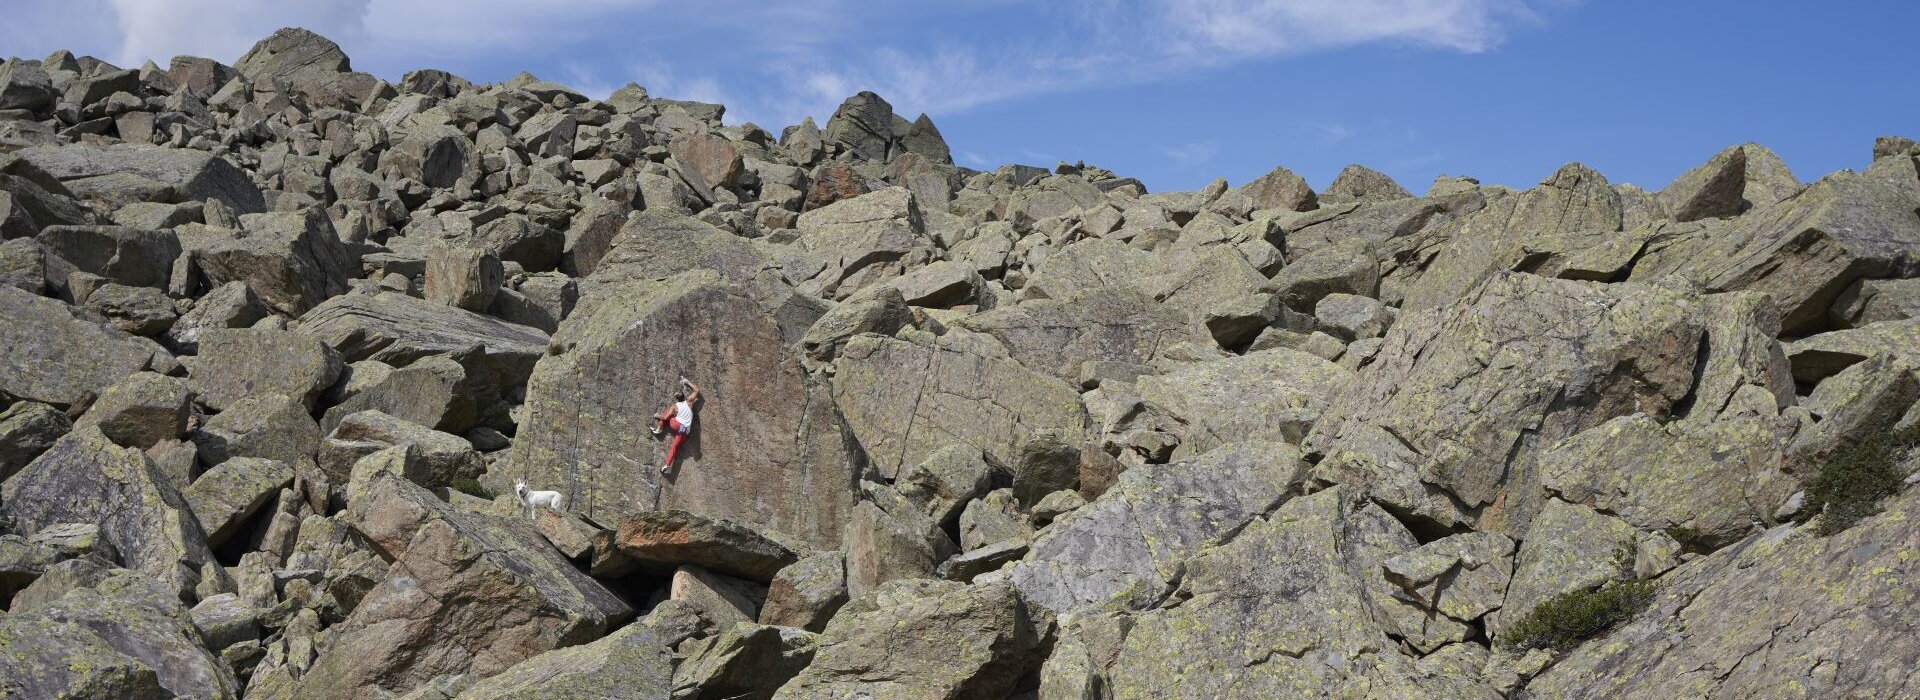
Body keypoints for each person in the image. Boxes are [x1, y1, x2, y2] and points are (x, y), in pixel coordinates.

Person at [652, 377, 699, 474]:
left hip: (676, 425)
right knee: (674, 447)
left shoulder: (674, 407)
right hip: (684, 431)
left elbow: (665, 418)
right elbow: (696, 390)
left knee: (667, 413)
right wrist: (687, 382)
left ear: (677, 399)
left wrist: (657, 416)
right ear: (684, 397)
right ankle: (666, 466)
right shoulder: (689, 401)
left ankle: (659, 429)